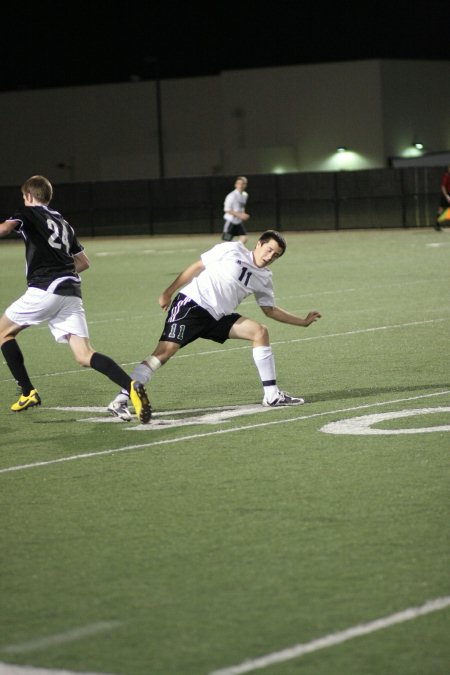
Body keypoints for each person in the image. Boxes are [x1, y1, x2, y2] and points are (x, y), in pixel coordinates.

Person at [108, 230, 321, 421]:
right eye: (268, 250)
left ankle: (272, 395)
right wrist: (168, 291)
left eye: (275, 256)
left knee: (260, 332)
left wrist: (302, 322)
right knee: (163, 353)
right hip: (192, 305)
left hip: (218, 317)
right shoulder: (232, 248)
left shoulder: (264, 277)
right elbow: (197, 266)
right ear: (258, 244)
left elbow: (270, 310)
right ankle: (121, 399)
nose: (269, 257)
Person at [0, 175, 151, 423]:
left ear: (28, 196)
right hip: (70, 292)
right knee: (84, 355)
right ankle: (131, 386)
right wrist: (61, 271)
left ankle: (28, 392)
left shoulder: (27, 213)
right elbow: (83, 262)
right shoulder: (63, 222)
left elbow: (5, 228)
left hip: (45, 289)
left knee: (3, 333)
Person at [222, 176, 250, 244]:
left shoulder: (245, 195)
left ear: (245, 185)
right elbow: (227, 209)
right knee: (226, 241)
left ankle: (235, 249)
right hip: (230, 221)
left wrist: (243, 214)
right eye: (239, 183)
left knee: (244, 238)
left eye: (243, 183)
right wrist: (240, 215)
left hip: (238, 222)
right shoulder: (231, 196)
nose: (241, 185)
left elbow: (242, 207)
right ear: (235, 185)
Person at [435, 165, 450, 231]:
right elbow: (443, 186)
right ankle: (437, 225)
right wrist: (446, 196)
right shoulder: (446, 175)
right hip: (446, 195)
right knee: (441, 209)